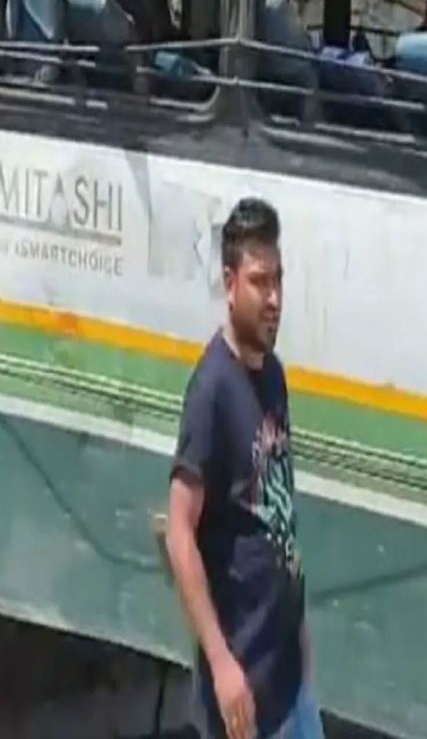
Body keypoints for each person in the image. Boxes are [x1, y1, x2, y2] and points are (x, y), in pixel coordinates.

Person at [165, 199, 321, 739]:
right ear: (229, 283)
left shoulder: (273, 376)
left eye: (278, 280)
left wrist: (300, 632)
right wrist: (221, 664)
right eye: (260, 282)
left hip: (290, 684)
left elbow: (281, 512)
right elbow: (179, 531)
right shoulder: (211, 391)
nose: (274, 298)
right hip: (242, 698)